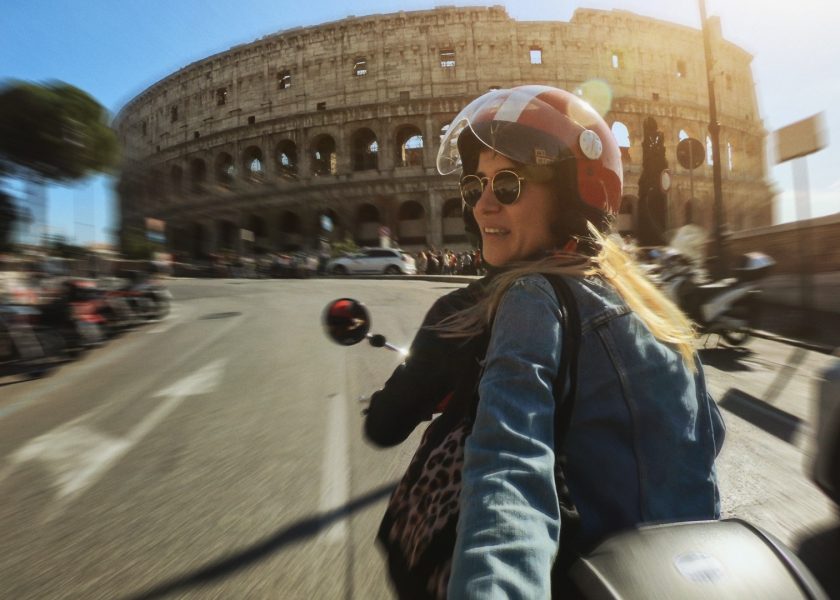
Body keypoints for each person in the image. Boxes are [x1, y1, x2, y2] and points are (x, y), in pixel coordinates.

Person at [364, 85, 724, 598]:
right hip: (689, 574)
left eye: (507, 185)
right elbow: (707, 433)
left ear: (568, 199)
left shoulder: (530, 296)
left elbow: (509, 465)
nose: (482, 206)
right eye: (474, 186)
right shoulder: (649, 301)